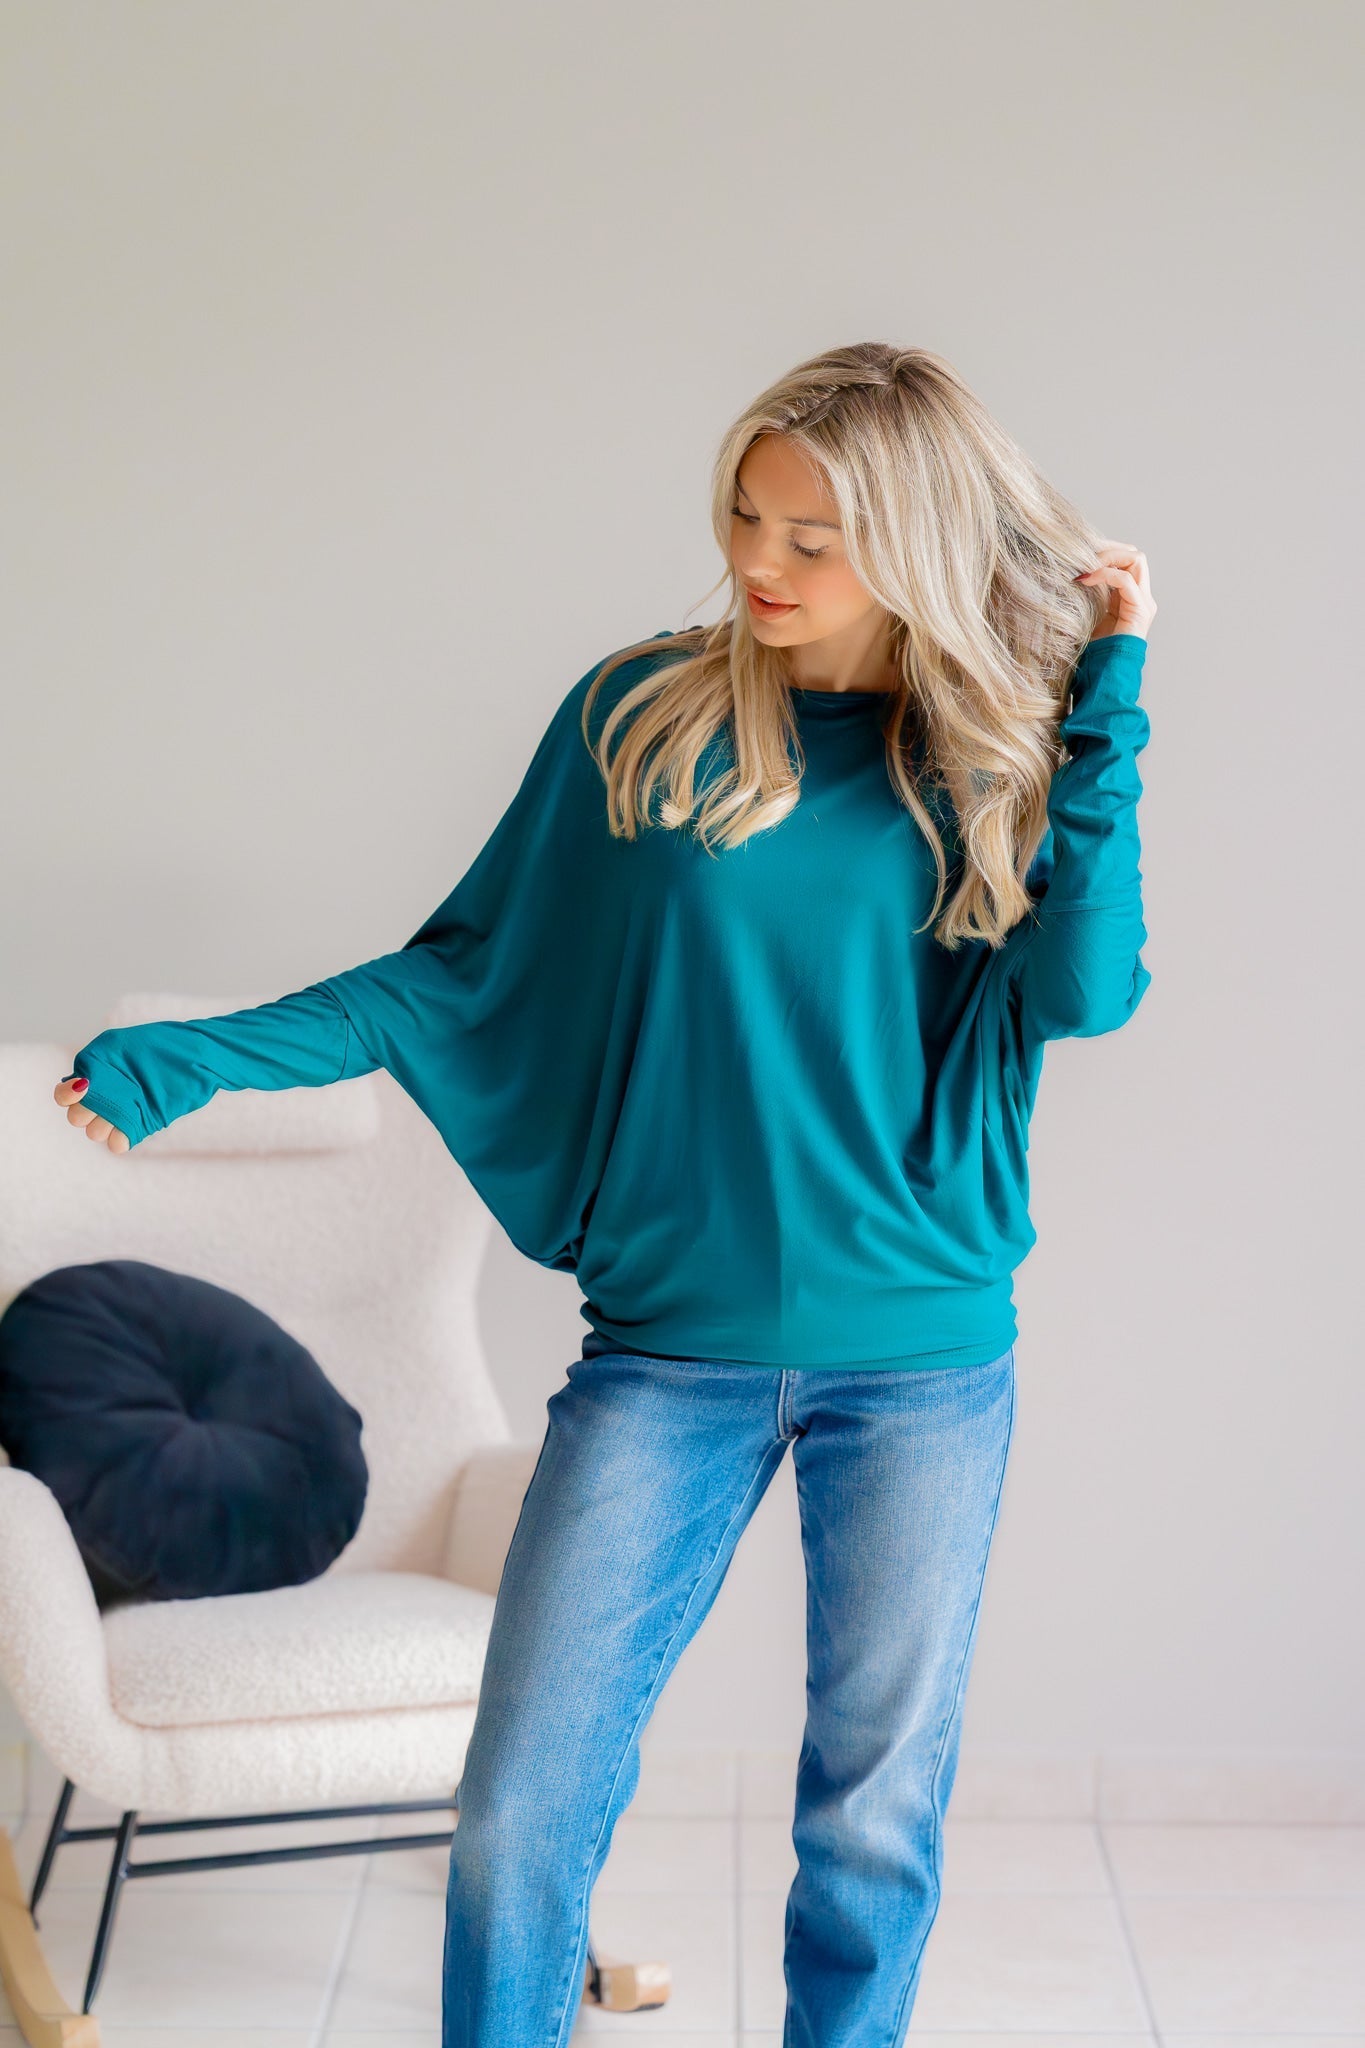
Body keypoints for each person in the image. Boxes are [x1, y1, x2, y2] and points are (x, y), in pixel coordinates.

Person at [53, 341, 1155, 2048]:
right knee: (518, 1815)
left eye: (812, 538)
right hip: (667, 1355)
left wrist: (1108, 699)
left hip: (922, 1364)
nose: (758, 564)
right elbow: (454, 970)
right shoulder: (645, 717)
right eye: (744, 516)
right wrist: (197, 1058)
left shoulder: (989, 754)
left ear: (914, 544)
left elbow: (1082, 992)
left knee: (870, 1822)